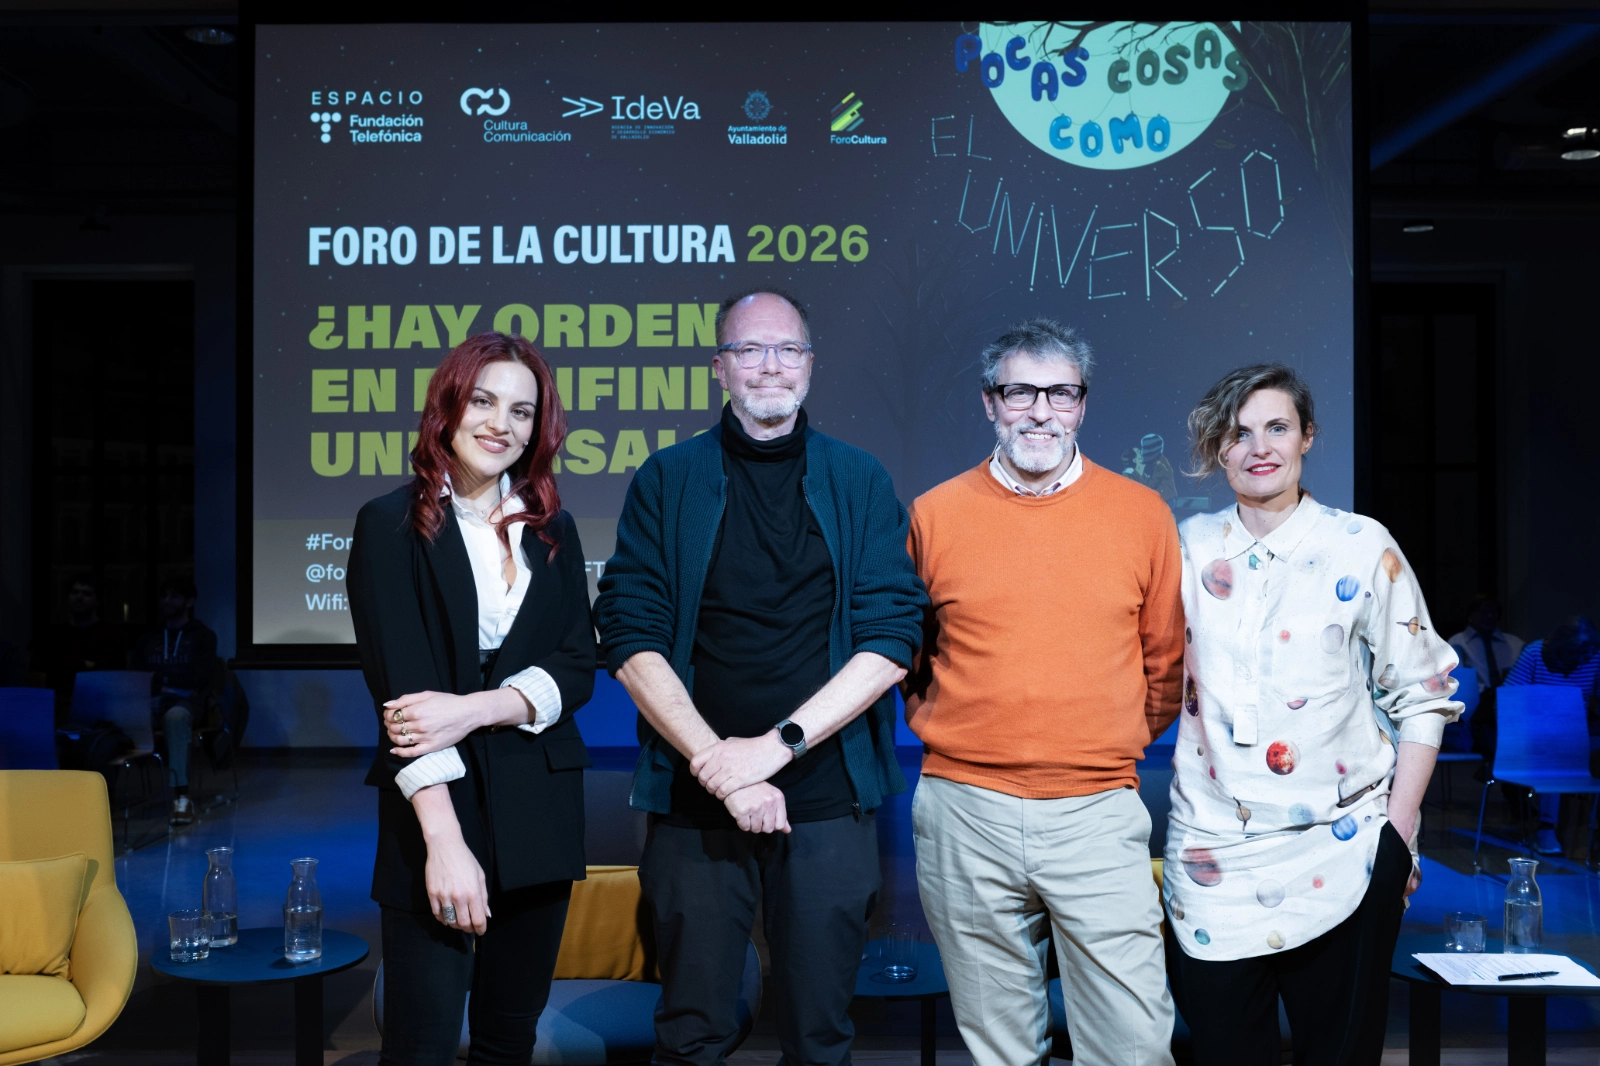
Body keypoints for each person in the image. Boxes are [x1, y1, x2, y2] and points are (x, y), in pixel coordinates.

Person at [595, 288, 926, 1066]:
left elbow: (890, 638)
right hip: (694, 803)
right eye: (750, 350)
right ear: (720, 369)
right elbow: (628, 630)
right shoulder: (667, 477)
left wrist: (770, 753)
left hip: (825, 802)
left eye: (787, 350)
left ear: (810, 366)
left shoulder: (860, 479)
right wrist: (725, 770)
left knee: (820, 1035)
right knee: (693, 1034)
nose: (770, 366)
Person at [903, 318, 1183, 1066]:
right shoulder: (933, 515)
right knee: (1000, 1049)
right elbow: (910, 659)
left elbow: (1165, 668)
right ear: (989, 403)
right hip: (964, 810)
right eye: (1020, 391)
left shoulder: (1143, 516)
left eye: (1060, 393)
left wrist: (1092, 745)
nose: (1040, 410)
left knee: (1133, 1045)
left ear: (1082, 407)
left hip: (1097, 810)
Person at [1165, 364, 1460, 1066]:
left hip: (1345, 851)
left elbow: (1422, 692)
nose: (1258, 446)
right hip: (1214, 858)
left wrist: (1398, 829)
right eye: (1238, 433)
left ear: (1307, 439)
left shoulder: (1361, 545)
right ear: (1216, 449)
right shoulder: (1185, 548)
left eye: (1277, 427)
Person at [347, 332, 597, 1066]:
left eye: (522, 411)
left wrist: (476, 708)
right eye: (484, 401)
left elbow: (577, 666)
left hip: (541, 814)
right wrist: (445, 845)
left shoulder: (553, 529)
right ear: (448, 407)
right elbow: (405, 701)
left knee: (507, 1042)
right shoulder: (391, 524)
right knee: (420, 1047)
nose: (501, 424)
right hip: (438, 818)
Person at [1499, 616, 1600, 854]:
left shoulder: (1594, 656)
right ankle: (1546, 827)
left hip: (1578, 732)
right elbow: (1509, 701)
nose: (1583, 659)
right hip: (1535, 732)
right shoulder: (1535, 653)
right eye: (1576, 653)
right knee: (1555, 747)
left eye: (1587, 654)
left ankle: (1593, 830)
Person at [127, 575, 216, 825]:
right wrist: (170, 683)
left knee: (176, 717)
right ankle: (104, 796)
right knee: (111, 714)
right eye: (164, 595)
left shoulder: (203, 637)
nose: (167, 601)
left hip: (188, 705)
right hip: (150, 702)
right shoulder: (148, 639)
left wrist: (164, 681)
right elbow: (136, 676)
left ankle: (181, 797)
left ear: (190, 602)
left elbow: (199, 678)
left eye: (175, 596)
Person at [32, 576, 125, 725]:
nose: (79, 597)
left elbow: (109, 673)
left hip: (100, 704)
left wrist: (69, 665)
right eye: (75, 592)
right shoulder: (53, 636)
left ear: (97, 601)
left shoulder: (111, 634)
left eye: (86, 593)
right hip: (59, 703)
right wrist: (83, 665)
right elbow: (42, 667)